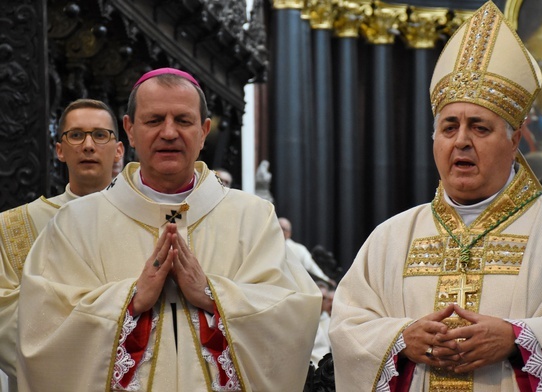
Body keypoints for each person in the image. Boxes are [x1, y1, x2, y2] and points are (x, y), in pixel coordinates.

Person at [329, 2, 542, 391]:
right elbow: (348, 328)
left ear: (515, 139)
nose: (461, 141)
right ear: (434, 139)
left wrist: (517, 338)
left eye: (479, 127)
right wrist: (400, 338)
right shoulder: (389, 239)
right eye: (449, 127)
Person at [17, 68, 322, 391]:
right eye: (153, 120)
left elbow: (293, 314)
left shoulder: (254, 218)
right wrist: (130, 300)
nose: (169, 132)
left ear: (204, 131)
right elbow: (42, 327)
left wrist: (211, 295)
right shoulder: (74, 223)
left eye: (183, 120)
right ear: (130, 130)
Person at [0, 98, 124, 391]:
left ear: (119, 150)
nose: (88, 146)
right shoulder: (15, 225)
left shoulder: (148, 221)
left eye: (100, 134)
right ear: (60, 150)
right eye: (76, 135)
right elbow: (4, 318)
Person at [278, 217, 336, 286]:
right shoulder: (266, 245)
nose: (280, 230)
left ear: (289, 233)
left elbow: (311, 267)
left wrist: (326, 280)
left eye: (283, 229)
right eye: (278, 227)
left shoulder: (299, 249)